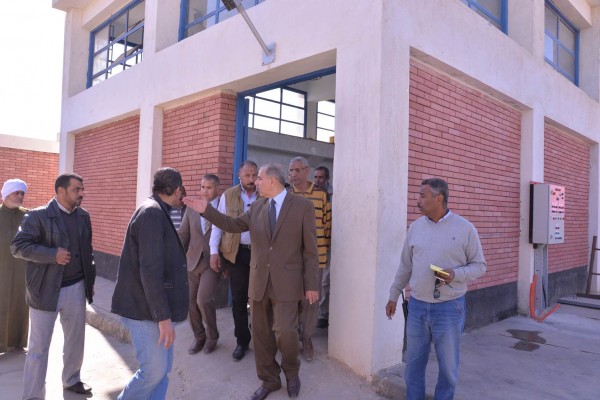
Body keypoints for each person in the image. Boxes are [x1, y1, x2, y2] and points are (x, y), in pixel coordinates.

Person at [185, 163, 319, 400]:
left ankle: (291, 373)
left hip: (288, 283)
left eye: (260, 178)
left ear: (273, 181)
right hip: (258, 281)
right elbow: (233, 225)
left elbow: (310, 250)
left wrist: (311, 285)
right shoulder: (257, 207)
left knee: (286, 333)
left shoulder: (302, 206)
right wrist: (207, 211)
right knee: (260, 335)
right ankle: (269, 380)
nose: (256, 182)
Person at [385, 178, 486, 400]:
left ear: (439, 198)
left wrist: (455, 274)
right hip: (417, 307)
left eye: (423, 196)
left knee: (448, 369)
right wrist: (393, 295)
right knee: (413, 368)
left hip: (449, 308)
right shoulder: (416, 227)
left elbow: (480, 266)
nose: (418, 200)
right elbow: (405, 266)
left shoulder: (465, 229)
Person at [11, 173, 96, 398]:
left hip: (76, 288)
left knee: (76, 341)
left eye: (82, 189)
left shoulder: (83, 216)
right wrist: (52, 255)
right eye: (77, 189)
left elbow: (88, 251)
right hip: (44, 290)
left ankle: (72, 380)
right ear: (60, 191)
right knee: (38, 347)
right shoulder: (37, 216)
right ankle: (33, 394)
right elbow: (18, 247)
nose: (82, 193)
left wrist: (90, 282)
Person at [111, 167, 188, 399]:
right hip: (145, 311)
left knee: (161, 372)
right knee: (153, 372)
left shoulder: (156, 210)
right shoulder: (152, 213)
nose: (182, 195)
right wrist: (163, 317)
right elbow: (151, 271)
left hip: (151, 310)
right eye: (181, 190)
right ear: (176, 190)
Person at [209, 160, 259, 361]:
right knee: (239, 299)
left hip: (260, 255)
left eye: (254, 175)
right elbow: (218, 224)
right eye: (247, 175)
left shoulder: (265, 195)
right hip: (236, 254)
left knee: (259, 299)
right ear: (239, 176)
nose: (251, 179)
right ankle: (242, 341)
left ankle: (262, 339)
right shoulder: (228, 195)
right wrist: (214, 251)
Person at [288, 157, 331, 361]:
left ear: (307, 171)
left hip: (316, 259)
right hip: (291, 259)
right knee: (292, 299)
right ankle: (293, 336)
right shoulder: (286, 195)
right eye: (291, 170)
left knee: (311, 301)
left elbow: (327, 224)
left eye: (298, 170)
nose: (294, 174)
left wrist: (324, 249)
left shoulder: (321, 195)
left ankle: (307, 339)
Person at [179, 174, 221, 355]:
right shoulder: (192, 208)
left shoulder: (223, 207)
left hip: (212, 263)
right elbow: (183, 234)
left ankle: (212, 337)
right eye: (202, 187)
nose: (204, 191)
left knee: (203, 300)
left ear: (217, 189)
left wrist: (227, 265)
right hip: (192, 261)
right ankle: (199, 337)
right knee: (189, 302)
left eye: (209, 187)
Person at [0, 179, 29, 354]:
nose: (20, 196)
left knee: (20, 304)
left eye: (22, 193)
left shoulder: (28, 216)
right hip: (1, 268)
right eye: (16, 192)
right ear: (6, 194)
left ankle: (17, 341)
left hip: (21, 270)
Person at [313, 166, 332, 329]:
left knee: (325, 280)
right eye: (316, 177)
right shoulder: (312, 194)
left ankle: (323, 314)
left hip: (330, 242)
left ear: (327, 179)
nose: (317, 180)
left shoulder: (332, 195)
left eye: (321, 177)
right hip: (316, 242)